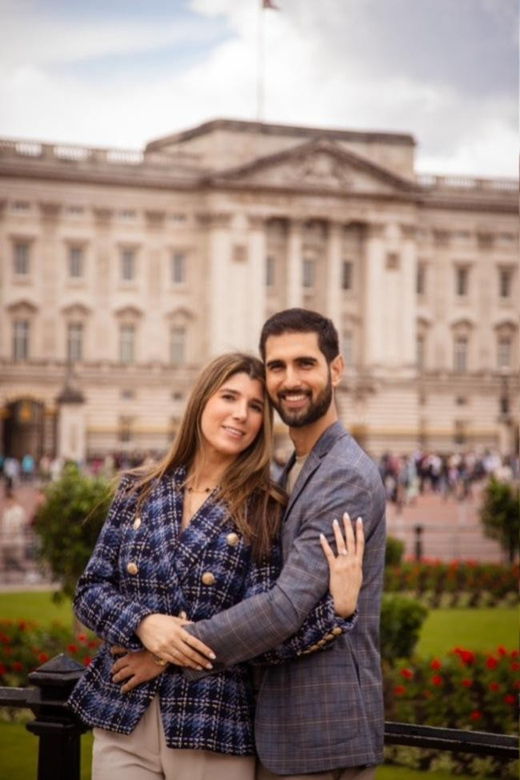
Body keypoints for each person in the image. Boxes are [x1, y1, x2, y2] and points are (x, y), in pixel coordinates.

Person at [69, 352, 363, 780]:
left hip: (212, 721)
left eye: (256, 407)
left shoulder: (264, 507)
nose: (241, 415)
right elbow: (91, 591)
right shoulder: (139, 488)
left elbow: (265, 630)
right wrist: (144, 624)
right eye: (230, 397)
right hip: (124, 714)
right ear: (202, 400)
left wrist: (340, 610)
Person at [137, 309, 386, 779]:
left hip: (320, 731)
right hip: (286, 727)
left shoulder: (343, 475)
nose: (290, 380)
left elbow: (285, 607)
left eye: (305, 364)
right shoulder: (296, 465)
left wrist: (166, 650)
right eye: (277, 367)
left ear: (336, 369)